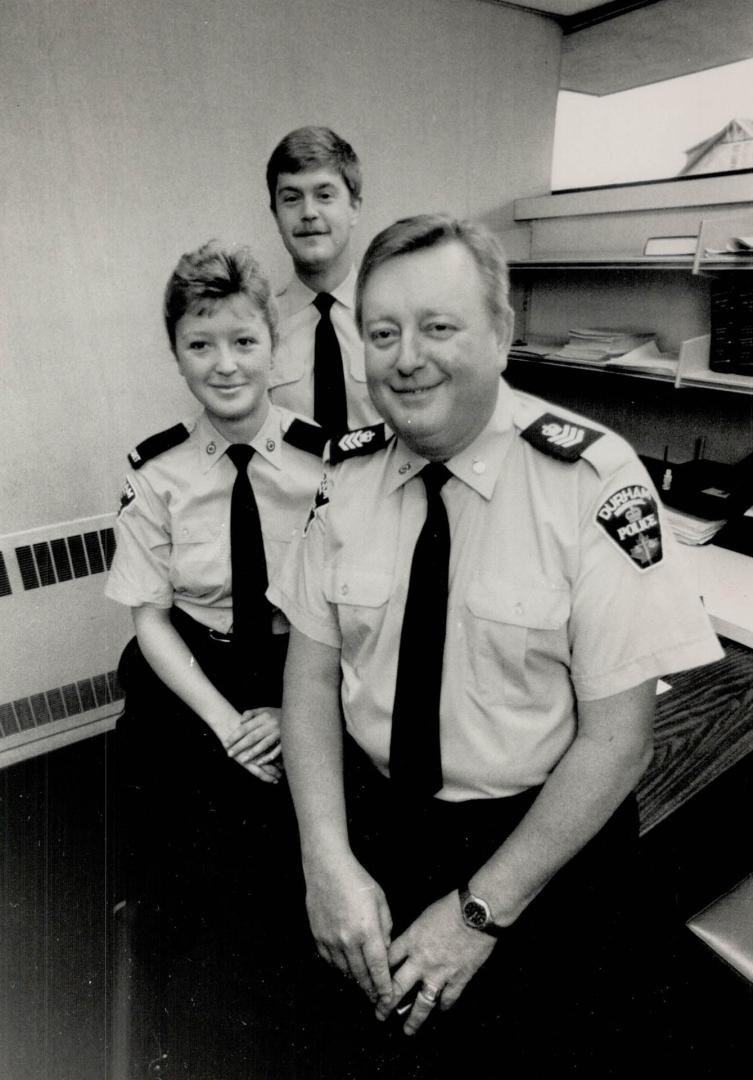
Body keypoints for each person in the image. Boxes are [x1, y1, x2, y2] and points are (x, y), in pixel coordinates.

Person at [268, 214, 725, 1077]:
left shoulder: (593, 479)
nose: (407, 357)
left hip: (537, 852)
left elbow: (618, 742)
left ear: (500, 333)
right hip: (376, 828)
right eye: (383, 332)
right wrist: (324, 859)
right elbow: (309, 680)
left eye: (439, 327)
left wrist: (476, 915)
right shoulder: (345, 477)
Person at [106, 240, 325, 1077]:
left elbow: (345, 617)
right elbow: (151, 619)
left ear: (274, 345)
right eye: (201, 345)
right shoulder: (154, 471)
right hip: (194, 678)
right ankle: (179, 1030)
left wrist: (294, 712)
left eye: (243, 341)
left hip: (298, 665)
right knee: (180, 872)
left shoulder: (328, 463)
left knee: (293, 867)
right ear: (177, 356)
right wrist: (228, 722)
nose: (224, 365)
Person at [266, 125, 382, 436]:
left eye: (325, 195)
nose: (308, 212)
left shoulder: (394, 316)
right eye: (291, 198)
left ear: (354, 207)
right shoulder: (258, 327)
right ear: (276, 216)